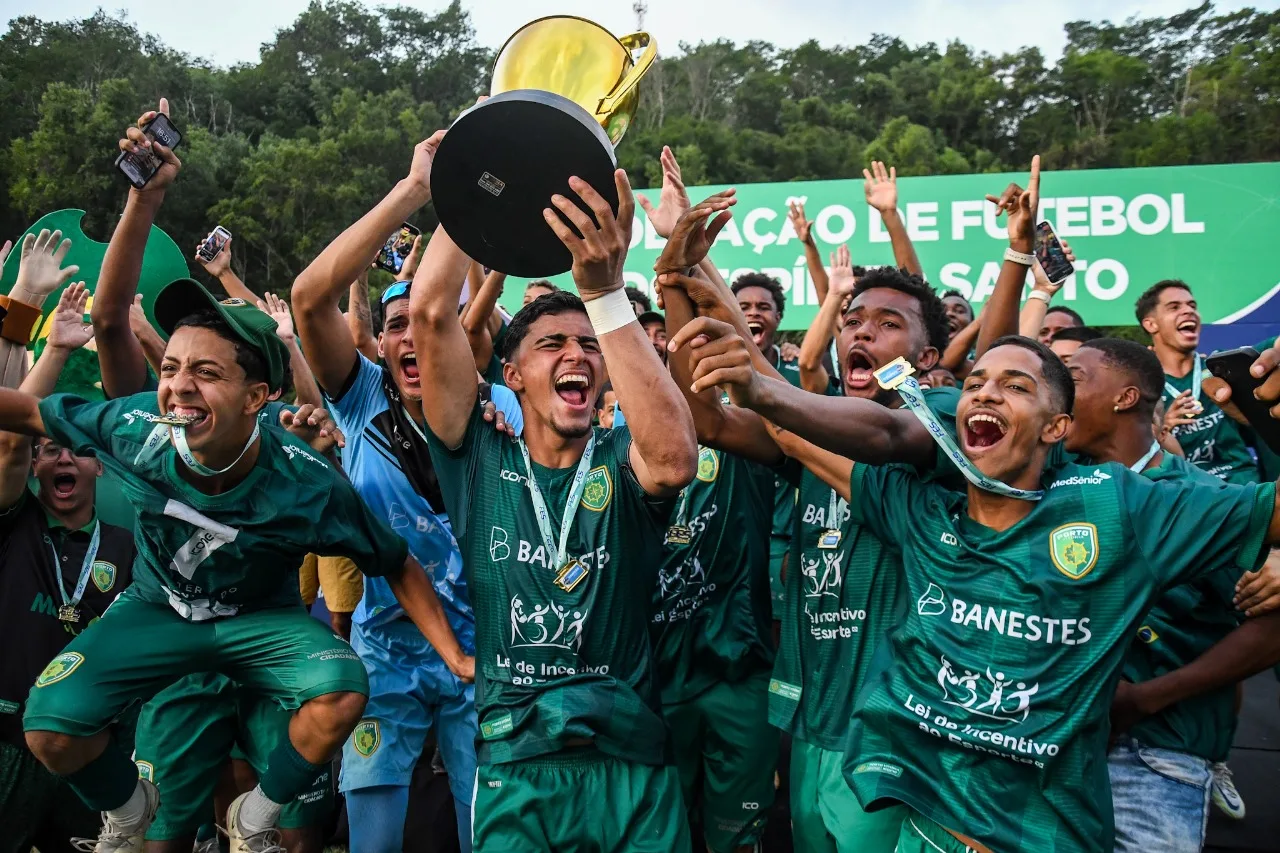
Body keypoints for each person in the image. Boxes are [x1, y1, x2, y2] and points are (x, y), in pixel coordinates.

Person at [411, 165, 699, 851]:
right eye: (551, 344)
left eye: (590, 345)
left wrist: (605, 296)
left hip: (632, 759)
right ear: (511, 375)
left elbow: (676, 460)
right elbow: (428, 314)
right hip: (519, 761)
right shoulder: (478, 455)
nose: (577, 353)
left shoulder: (623, 459)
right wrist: (474, 178)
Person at [662, 258, 957, 853]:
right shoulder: (813, 438)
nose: (861, 332)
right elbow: (712, 421)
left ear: (926, 359)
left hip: (891, 733)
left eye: (888, 323)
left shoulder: (941, 419)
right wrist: (681, 275)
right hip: (816, 722)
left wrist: (762, 388)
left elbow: (882, 434)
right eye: (852, 320)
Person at [291, 132, 521, 853]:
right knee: (375, 840)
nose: (412, 338)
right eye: (394, 328)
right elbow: (309, 296)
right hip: (385, 654)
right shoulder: (358, 399)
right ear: (381, 343)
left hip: (486, 652)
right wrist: (417, 189)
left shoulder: (502, 408)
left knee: (484, 831)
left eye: (430, 320)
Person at [1063, 338, 1280, 851]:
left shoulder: (1202, 499)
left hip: (1154, 759)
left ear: (1125, 397)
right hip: (1059, 753)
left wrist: (1144, 699)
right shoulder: (1057, 489)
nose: (1054, 392)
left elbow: (1271, 626)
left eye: (1071, 378)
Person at [0, 277, 137, 853]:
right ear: (35, 465)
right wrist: (54, 348)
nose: (62, 457)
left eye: (77, 448)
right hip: (7, 741)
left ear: (99, 466)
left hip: (91, 747)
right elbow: (8, 443)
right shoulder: (14, 523)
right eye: (49, 447)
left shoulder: (129, 548)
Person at [1138, 279, 1259, 487]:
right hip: (1188, 493)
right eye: (1174, 307)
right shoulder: (1139, 383)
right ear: (1151, 324)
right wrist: (1162, 427)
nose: (1188, 311)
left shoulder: (1221, 366)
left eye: (1192, 306)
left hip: (1242, 486)